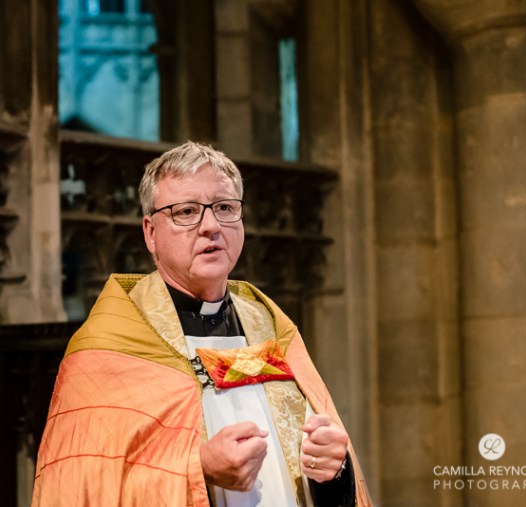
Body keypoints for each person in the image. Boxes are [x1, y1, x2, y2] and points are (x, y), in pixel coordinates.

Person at [32, 141, 371, 506]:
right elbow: (79, 488)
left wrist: (333, 473)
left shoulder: (272, 326)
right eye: (186, 212)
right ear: (150, 232)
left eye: (225, 207)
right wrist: (199, 469)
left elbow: (315, 474)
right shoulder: (108, 345)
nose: (211, 226)